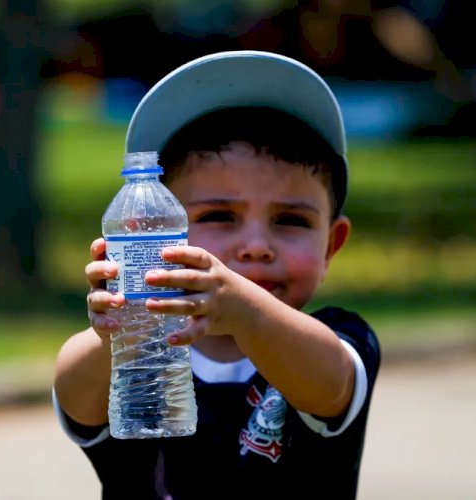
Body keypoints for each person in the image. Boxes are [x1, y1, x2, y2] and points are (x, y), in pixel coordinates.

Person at [53, 50, 381, 499]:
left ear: (331, 246)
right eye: (220, 215)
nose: (256, 246)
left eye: (291, 220)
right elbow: (74, 397)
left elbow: (331, 385)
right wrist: (120, 331)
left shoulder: (336, 340)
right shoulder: (136, 358)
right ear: (151, 236)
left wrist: (244, 310)